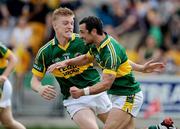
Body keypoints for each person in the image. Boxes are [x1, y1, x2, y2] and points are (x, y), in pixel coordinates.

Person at [31, 8, 165, 129]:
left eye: (72, 23)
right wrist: (40, 88)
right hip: (74, 99)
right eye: (65, 23)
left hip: (97, 91)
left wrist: (140, 68)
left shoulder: (84, 40)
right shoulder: (46, 52)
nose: (70, 26)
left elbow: (113, 59)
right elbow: (34, 81)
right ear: (54, 25)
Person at [0, 42, 26, 129]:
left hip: (1, 87)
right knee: (8, 122)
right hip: (4, 88)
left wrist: (4, 76)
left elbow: (13, 59)